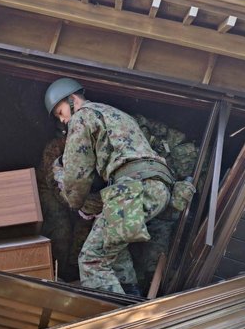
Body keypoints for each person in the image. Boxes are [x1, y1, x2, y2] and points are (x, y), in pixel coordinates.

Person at [44, 78, 175, 295]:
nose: (63, 120)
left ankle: (118, 322)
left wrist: (74, 200)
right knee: (114, 254)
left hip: (133, 190)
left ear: (73, 99)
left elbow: (77, 176)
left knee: (91, 259)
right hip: (156, 187)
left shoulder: (82, 117)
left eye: (60, 112)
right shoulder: (115, 114)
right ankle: (129, 300)